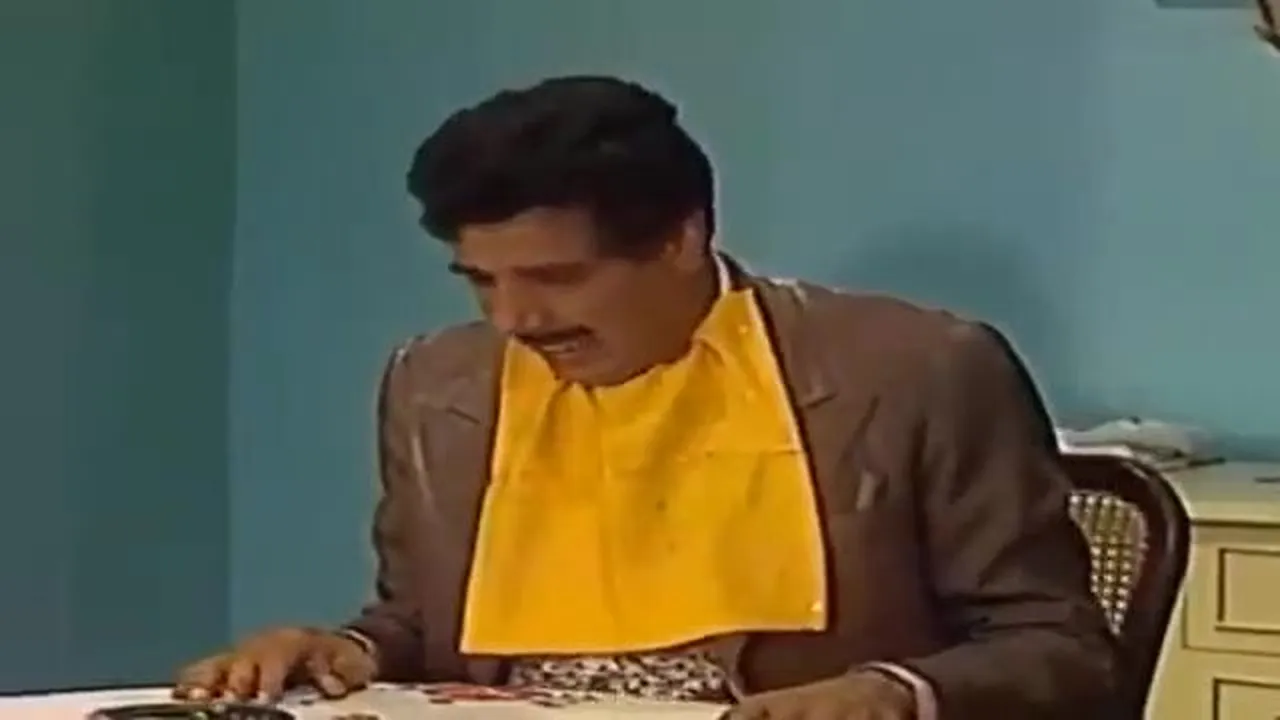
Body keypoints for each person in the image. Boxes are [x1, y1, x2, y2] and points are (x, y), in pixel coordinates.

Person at [175, 76, 1121, 720]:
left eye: (556, 278)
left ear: (680, 239)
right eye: (481, 282)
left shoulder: (920, 369)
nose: (514, 320)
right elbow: (423, 624)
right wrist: (344, 649)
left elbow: (1059, 650)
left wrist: (891, 691)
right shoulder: (435, 384)